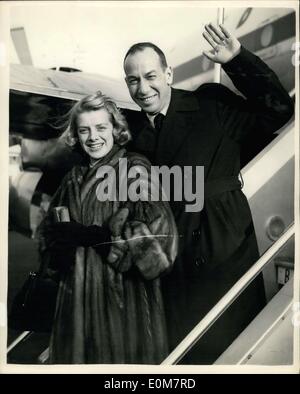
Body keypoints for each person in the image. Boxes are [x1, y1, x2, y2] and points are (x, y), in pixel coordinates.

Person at [123, 23, 294, 363]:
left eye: (151, 76)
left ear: (169, 73)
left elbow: (278, 110)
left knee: (233, 350)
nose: (143, 88)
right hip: (173, 265)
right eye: (133, 80)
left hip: (223, 250)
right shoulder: (133, 136)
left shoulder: (209, 105)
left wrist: (237, 60)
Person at [37, 92, 178, 364]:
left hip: (123, 307)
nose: (93, 137)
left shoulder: (134, 170)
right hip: (74, 306)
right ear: (76, 136)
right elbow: (45, 235)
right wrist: (56, 248)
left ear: (115, 128)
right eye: (84, 130)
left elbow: (163, 243)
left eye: (101, 128)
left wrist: (101, 239)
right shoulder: (72, 179)